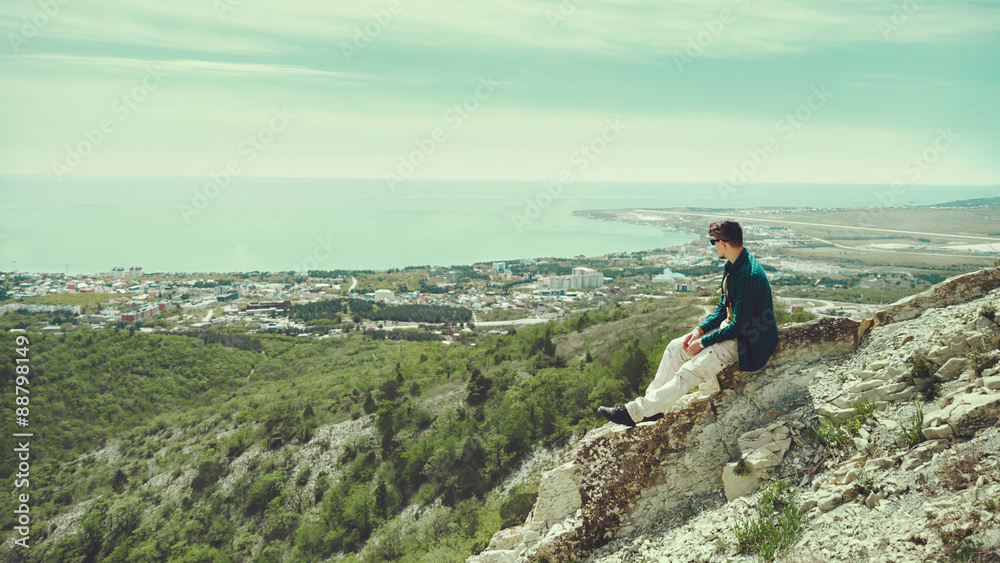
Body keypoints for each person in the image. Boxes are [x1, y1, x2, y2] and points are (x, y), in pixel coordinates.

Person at [598, 219, 778, 427]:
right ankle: (652, 409)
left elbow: (740, 325)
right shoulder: (733, 266)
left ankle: (635, 412)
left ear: (723, 243)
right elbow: (722, 307)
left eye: (713, 242)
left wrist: (703, 343)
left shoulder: (748, 274)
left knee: (689, 372)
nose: (713, 246)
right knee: (675, 348)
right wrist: (699, 330)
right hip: (732, 329)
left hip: (747, 341)